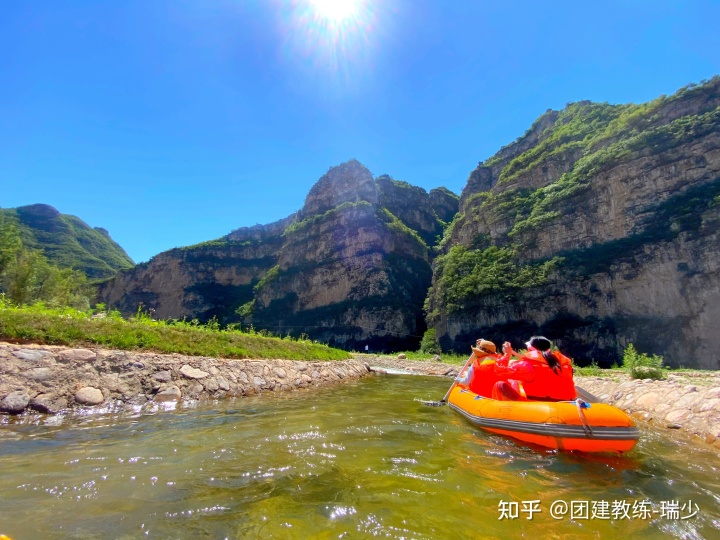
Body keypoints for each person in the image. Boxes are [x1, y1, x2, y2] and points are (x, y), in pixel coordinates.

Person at [491, 336, 576, 401]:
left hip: (538, 405)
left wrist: (507, 354)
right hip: (565, 404)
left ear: (530, 349)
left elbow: (499, 371)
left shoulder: (527, 365)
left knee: (502, 383)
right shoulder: (563, 364)